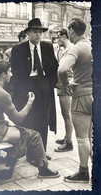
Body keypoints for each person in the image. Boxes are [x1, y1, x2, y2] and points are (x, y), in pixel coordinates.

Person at [0, 60, 60, 184]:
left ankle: (7, 167)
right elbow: (18, 118)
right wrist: (29, 103)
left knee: (21, 134)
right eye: (9, 72)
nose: (11, 74)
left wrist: (4, 121)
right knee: (34, 136)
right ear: (3, 74)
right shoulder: (3, 94)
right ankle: (44, 169)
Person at [10, 18, 59, 161]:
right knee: (29, 120)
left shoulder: (47, 47)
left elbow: (54, 67)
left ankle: (41, 153)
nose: (38, 35)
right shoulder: (18, 49)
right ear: (28, 33)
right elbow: (16, 72)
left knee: (43, 119)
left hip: (43, 86)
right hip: (27, 86)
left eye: (40, 32)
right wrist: (22, 90)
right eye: (35, 32)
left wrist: (50, 84)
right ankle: (29, 153)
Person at [58, 18, 92, 183]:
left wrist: (66, 84)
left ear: (71, 31)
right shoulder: (92, 45)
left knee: (82, 138)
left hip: (81, 97)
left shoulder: (76, 48)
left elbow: (62, 69)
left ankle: (83, 172)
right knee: (92, 137)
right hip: (95, 94)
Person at [54, 29, 74, 152]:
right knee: (65, 113)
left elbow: (67, 69)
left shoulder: (70, 50)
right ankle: (67, 137)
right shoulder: (63, 50)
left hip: (65, 83)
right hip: (62, 82)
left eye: (58, 37)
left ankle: (69, 143)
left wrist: (66, 83)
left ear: (64, 37)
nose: (57, 40)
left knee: (66, 114)